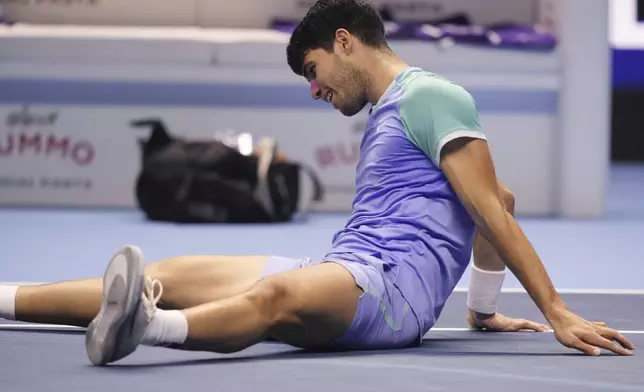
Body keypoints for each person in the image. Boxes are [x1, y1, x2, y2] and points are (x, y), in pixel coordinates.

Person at [0, 0, 634, 365]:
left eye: (314, 69)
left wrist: (552, 310)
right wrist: (484, 311)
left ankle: (147, 328)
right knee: (178, 270)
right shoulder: (392, 112)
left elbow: (496, 212)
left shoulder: (434, 97)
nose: (314, 89)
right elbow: (501, 201)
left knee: (273, 295)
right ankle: (8, 296)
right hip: (346, 265)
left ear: (344, 42)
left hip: (392, 292)